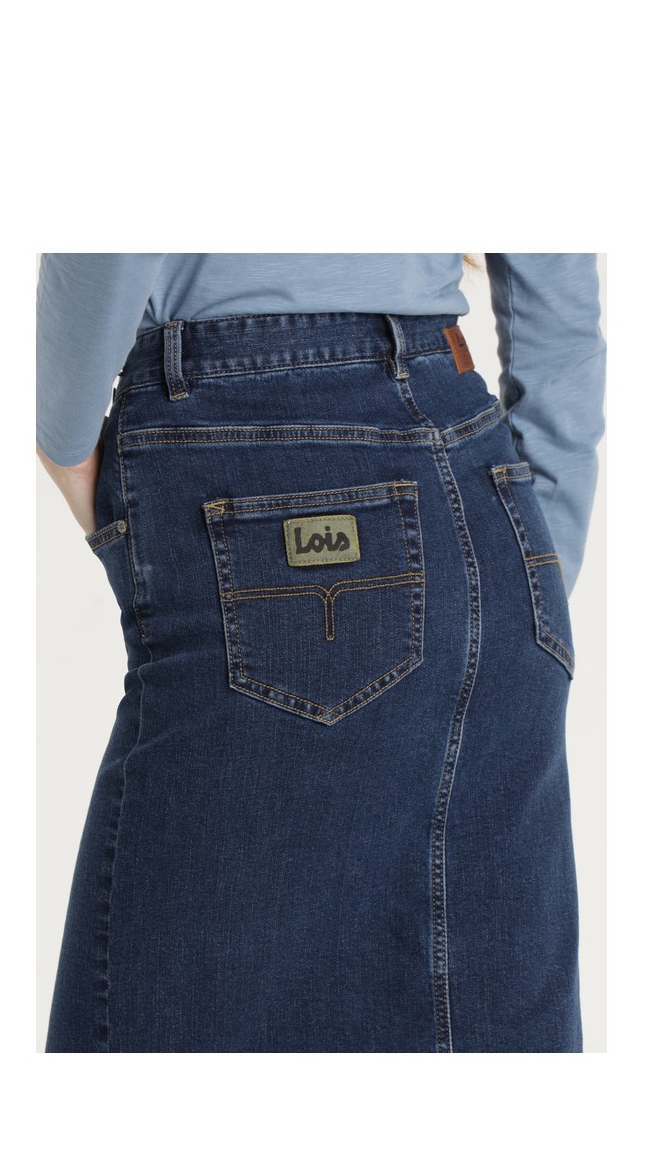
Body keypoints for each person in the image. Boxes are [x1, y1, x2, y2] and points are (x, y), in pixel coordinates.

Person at [37, 253, 606, 1052]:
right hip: (469, 469)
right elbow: (556, 271)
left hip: (237, 427)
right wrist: (539, 544)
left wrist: (62, 436)